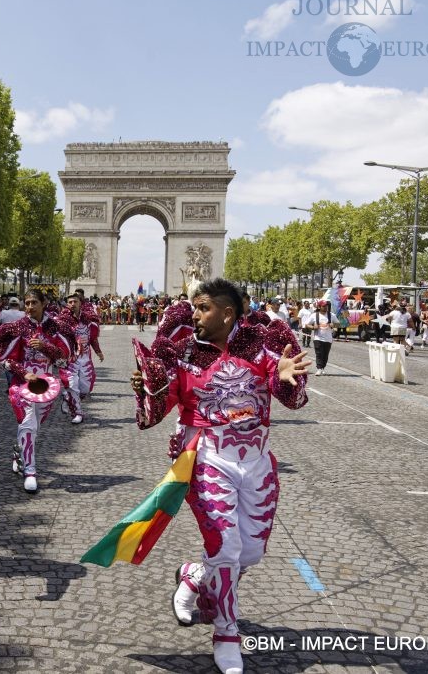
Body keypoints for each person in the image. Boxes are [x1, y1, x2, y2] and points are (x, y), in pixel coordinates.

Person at [129, 278, 310, 674]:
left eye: (204, 307)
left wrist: (283, 376)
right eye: (194, 307)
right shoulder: (183, 355)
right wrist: (149, 388)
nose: (194, 314)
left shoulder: (263, 349)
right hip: (208, 459)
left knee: (250, 552)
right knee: (226, 548)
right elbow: (154, 414)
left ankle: (195, 576)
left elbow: (295, 400)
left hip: (258, 463)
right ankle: (227, 633)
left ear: (227, 313)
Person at [0, 288, 73, 493]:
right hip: (22, 385)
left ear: (44, 303)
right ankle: (30, 472)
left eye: (33, 303)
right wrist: (24, 372)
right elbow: (5, 360)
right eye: (27, 303)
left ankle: (19, 453)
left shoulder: (56, 328)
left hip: (46, 386)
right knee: (28, 423)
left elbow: (64, 360)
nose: (29, 307)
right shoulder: (17, 328)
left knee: (34, 428)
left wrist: (45, 347)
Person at [59, 292, 104, 424]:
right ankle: (77, 412)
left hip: (85, 358)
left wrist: (98, 351)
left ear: (80, 303)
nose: (72, 304)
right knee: (72, 385)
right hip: (70, 359)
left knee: (85, 389)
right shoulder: (62, 320)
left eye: (75, 302)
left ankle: (68, 398)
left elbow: (93, 338)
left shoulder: (88, 319)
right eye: (70, 302)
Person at [309, 299, 335, 376]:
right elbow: (307, 324)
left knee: (325, 355)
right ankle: (319, 368)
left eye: (326, 306)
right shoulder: (314, 315)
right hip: (318, 338)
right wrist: (313, 327)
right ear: (319, 307)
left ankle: (322, 367)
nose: (326, 307)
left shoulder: (331, 315)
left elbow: (338, 323)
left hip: (328, 339)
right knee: (319, 353)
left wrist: (334, 325)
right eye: (324, 306)